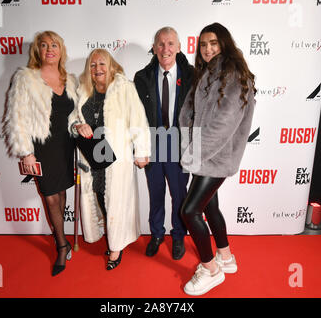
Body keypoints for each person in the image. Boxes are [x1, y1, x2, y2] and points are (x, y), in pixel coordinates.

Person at [179, 22, 257, 295]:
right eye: (203, 44)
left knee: (189, 211)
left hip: (216, 156)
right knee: (209, 207)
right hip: (204, 155)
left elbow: (223, 125)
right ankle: (225, 256)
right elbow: (189, 112)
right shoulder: (208, 74)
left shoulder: (233, 75)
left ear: (223, 43)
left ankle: (210, 269)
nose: (207, 49)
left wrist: (194, 154)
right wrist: (189, 141)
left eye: (213, 43)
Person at [3, 31, 78, 277]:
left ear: (60, 50)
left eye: (54, 45)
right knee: (51, 197)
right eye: (44, 45)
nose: (49, 49)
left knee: (62, 191)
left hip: (66, 146)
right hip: (42, 149)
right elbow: (17, 118)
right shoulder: (26, 78)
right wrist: (26, 152)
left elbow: (76, 114)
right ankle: (61, 245)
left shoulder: (71, 79)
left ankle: (61, 233)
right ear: (38, 51)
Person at [69, 49, 150, 270]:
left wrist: (142, 150)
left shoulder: (124, 88)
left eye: (102, 64)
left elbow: (138, 120)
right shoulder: (83, 90)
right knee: (99, 196)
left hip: (117, 158)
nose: (97, 69)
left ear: (111, 65)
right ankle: (111, 235)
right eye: (93, 65)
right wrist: (78, 125)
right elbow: (73, 117)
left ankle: (116, 246)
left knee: (116, 201)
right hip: (92, 155)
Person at [134, 27, 194, 260]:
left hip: (183, 144)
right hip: (153, 142)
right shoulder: (142, 77)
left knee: (180, 196)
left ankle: (178, 236)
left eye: (170, 43)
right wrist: (139, 148)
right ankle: (156, 234)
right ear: (154, 48)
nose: (165, 49)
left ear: (179, 47)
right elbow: (136, 116)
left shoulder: (193, 75)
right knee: (155, 193)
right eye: (160, 44)